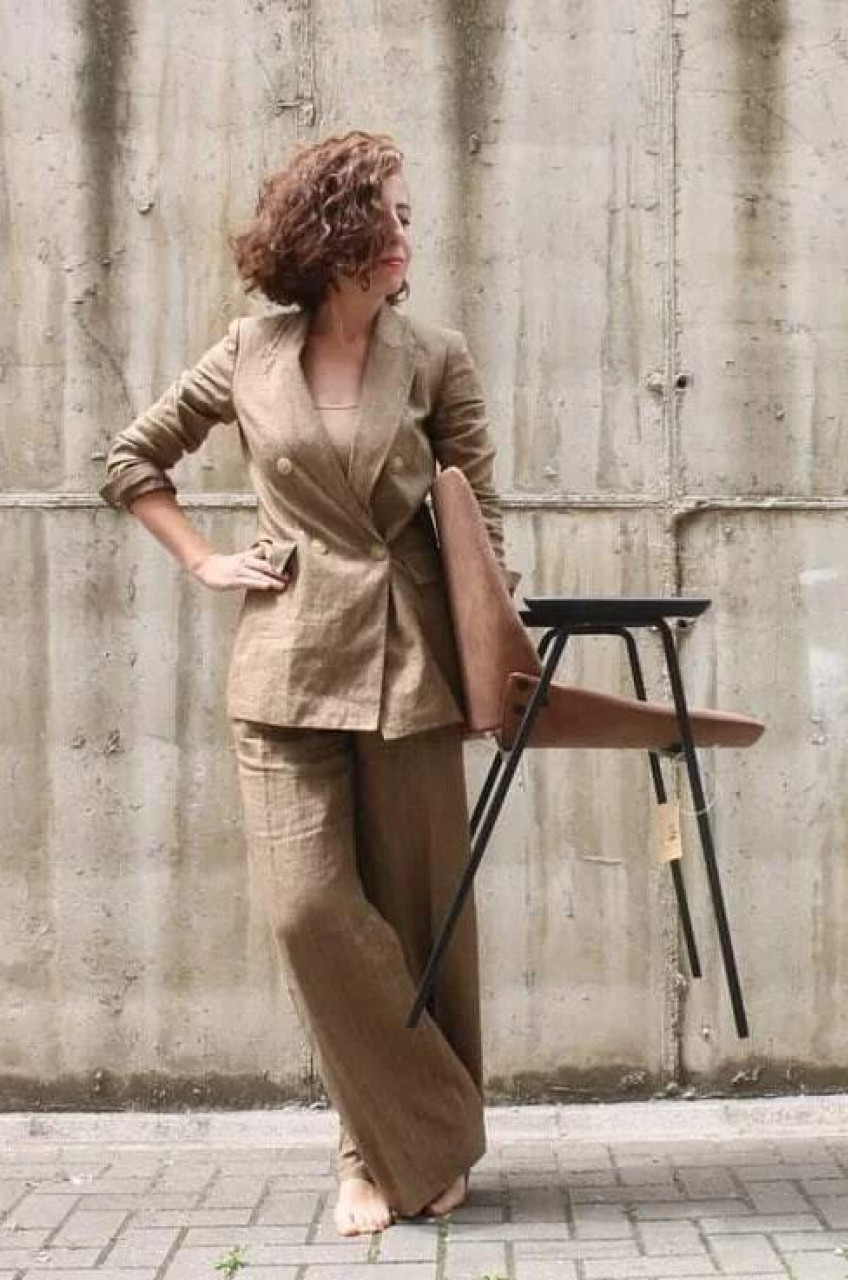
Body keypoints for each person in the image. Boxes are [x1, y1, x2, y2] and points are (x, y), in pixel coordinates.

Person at [97, 130, 518, 1236]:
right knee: (309, 911)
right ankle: (433, 1130)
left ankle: (371, 1156)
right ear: (335, 226)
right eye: (390, 211)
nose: (407, 234)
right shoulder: (250, 349)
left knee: (418, 921)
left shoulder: (434, 356)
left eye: (409, 214)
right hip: (284, 665)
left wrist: (494, 667)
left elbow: (483, 525)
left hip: (411, 667)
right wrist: (204, 559)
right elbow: (132, 461)